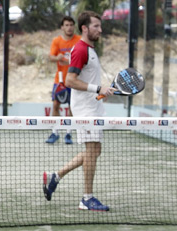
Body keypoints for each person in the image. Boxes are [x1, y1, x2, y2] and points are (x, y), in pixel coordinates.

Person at [42, 11, 115, 211]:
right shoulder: (81, 49)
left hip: (93, 106)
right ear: (85, 28)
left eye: (100, 26)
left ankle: (55, 176)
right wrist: (97, 89)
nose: (100, 30)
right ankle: (86, 199)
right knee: (92, 151)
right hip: (86, 111)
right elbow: (70, 81)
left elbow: (88, 82)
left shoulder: (90, 50)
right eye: (96, 26)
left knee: (95, 150)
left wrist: (100, 93)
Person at [46, 16, 81, 144]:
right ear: (62, 27)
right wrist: (58, 57)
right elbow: (51, 57)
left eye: (71, 25)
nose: (69, 27)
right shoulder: (57, 41)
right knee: (55, 105)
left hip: (74, 79)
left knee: (71, 106)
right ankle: (55, 133)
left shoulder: (79, 40)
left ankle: (68, 134)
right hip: (60, 80)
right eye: (66, 25)